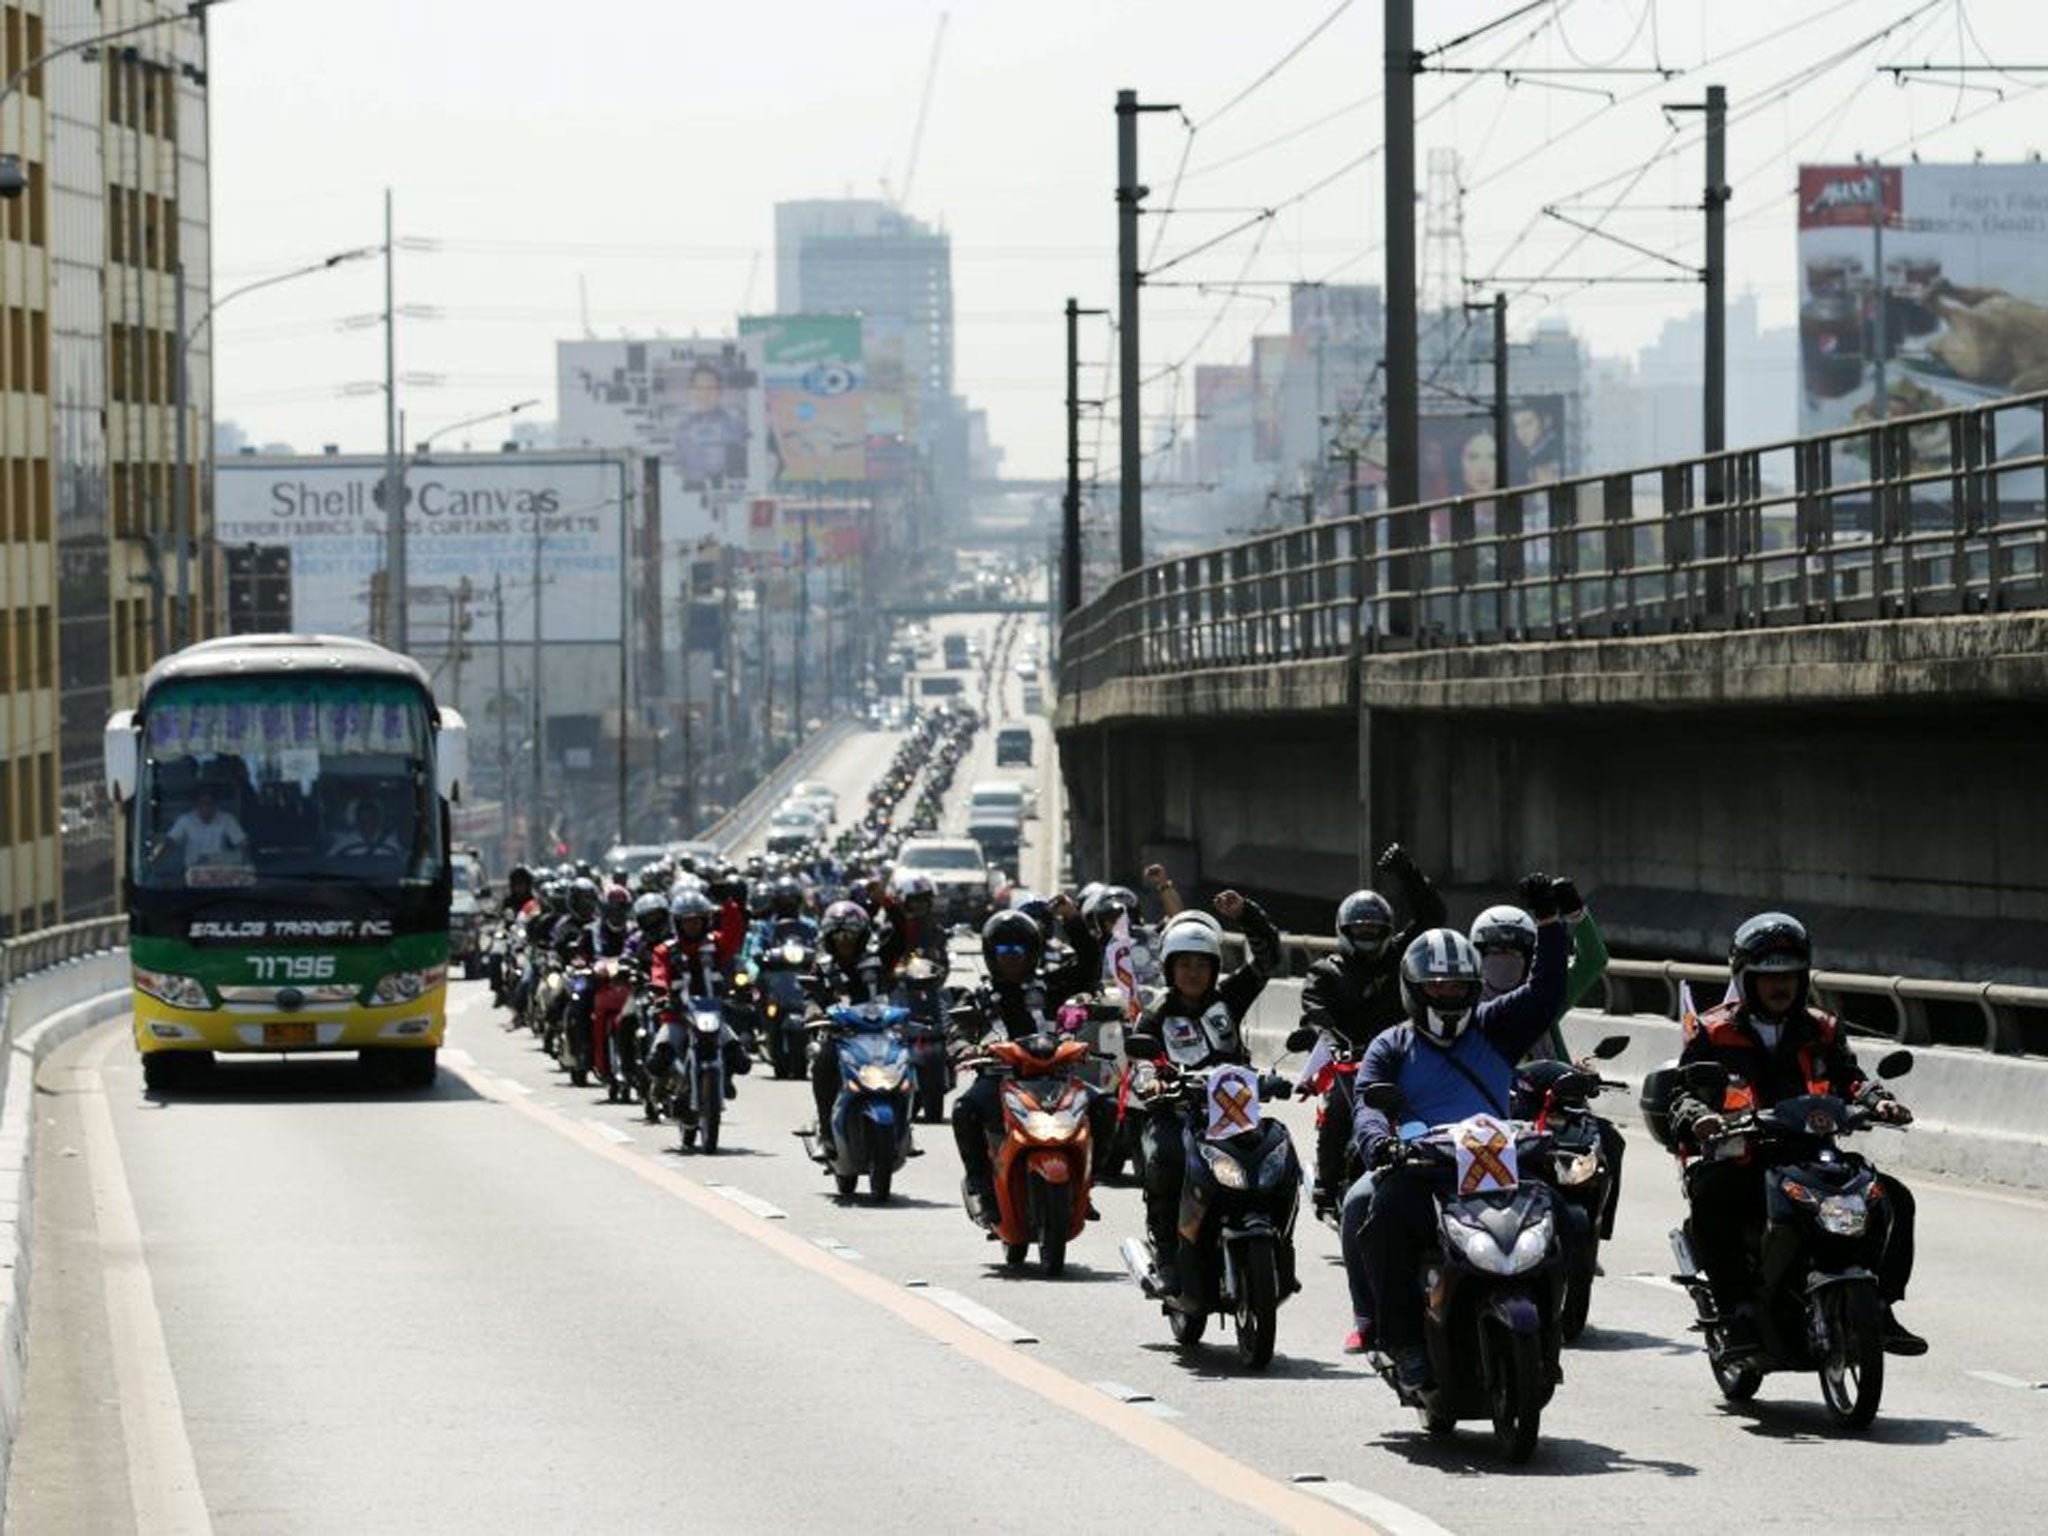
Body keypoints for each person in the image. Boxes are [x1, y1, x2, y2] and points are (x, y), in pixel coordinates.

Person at [1352, 874, 1572, 1392]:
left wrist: (1550, 923)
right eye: (1437, 987)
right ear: (1414, 989)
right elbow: (1368, 1103)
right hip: (1423, 1169)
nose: (1449, 996)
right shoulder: (1391, 1045)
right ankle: (1403, 1344)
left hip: (1500, 1164)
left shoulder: (1494, 1026)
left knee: (1568, 1213)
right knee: (1372, 1209)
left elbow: (1546, 991)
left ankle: (1553, 1331)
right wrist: (1380, 1144)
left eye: (1459, 987)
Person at [1669, 911, 1923, 1357]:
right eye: (1767, 976)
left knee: (1893, 1199)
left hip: (1810, 1150)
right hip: (1745, 1153)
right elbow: (1685, 1091)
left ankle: (1880, 1305)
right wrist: (1699, 1117)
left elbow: (1850, 1078)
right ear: (1745, 979)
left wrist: (1877, 1101)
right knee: (1710, 1194)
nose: (1778, 985)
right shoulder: (1713, 1030)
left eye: (1788, 975)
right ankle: (1739, 1313)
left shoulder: (1821, 1028)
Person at [1133, 889, 1284, 1301]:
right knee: (1166, 1156)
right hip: (1178, 1114)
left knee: (1280, 1153)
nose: (1193, 972)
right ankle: (1166, 1257)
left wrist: (1247, 914)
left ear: (1215, 967)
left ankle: (1279, 1248)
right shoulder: (1156, 1013)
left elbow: (1269, 957)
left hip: (1234, 1114)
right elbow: (1141, 1058)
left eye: (1202, 964)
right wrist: (1152, 1081)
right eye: (1184, 964)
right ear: (1169, 968)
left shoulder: (1229, 999)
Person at [1299, 844, 1447, 1249]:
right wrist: (1326, 1026)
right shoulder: (1327, 970)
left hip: (1406, 1056)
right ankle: (1327, 1185)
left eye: (1374, 930)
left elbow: (1434, 917)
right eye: (1360, 930)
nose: (1368, 936)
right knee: (1340, 1112)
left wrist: (1407, 873)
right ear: (1345, 932)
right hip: (1351, 1061)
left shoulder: (1401, 956)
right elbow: (1312, 1002)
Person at [805, 900, 891, 1146]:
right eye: (839, 934)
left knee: (905, 1062)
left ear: (862, 935)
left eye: (851, 934)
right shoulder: (823, 966)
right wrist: (813, 1012)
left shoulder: (875, 963)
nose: (845, 940)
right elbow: (810, 995)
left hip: (876, 1035)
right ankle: (825, 1130)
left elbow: (891, 990)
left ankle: (905, 1125)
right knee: (823, 1064)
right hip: (838, 1036)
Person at [159, 785, 248, 873]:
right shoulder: (185, 820)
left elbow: (243, 843)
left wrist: (244, 865)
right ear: (196, 804)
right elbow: (169, 842)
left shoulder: (227, 819)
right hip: (192, 872)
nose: (206, 807)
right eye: (202, 803)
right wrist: (157, 862)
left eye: (210, 804)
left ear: (216, 804)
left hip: (221, 873)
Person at [328, 799, 402, 860]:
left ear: (379, 821)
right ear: (357, 821)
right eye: (363, 820)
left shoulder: (392, 845)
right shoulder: (343, 844)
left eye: (371, 819)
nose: (368, 824)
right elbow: (329, 863)